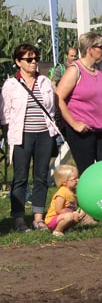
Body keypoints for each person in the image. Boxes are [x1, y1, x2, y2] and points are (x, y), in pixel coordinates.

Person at [2, 44, 58, 232]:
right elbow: (6, 114)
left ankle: (38, 217)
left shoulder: (45, 82)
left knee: (41, 176)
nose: (34, 62)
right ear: (18, 62)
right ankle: (18, 219)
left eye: (36, 58)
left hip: (44, 134)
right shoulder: (10, 85)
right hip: (22, 136)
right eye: (29, 59)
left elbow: (52, 108)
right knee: (20, 177)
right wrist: (9, 135)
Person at [56, 32, 102, 173]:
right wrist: (74, 123)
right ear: (90, 49)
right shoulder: (75, 70)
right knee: (88, 172)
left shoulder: (98, 69)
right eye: (100, 47)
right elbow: (58, 97)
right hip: (83, 132)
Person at [44, 165, 84, 237]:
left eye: (78, 177)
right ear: (64, 182)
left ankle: (67, 228)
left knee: (83, 212)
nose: (77, 180)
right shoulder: (62, 192)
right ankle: (57, 231)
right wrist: (73, 213)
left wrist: (77, 213)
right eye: (74, 179)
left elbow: (71, 207)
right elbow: (59, 210)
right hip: (53, 220)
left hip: (64, 216)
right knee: (69, 216)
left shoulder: (73, 191)